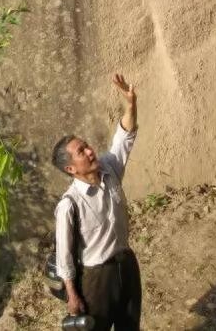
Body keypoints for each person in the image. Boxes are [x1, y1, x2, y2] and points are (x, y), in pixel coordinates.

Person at [51, 73, 141, 331]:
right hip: (97, 279)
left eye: (87, 146)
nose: (90, 151)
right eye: (81, 152)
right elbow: (64, 255)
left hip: (126, 265)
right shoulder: (70, 204)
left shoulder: (110, 170)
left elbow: (123, 138)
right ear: (70, 168)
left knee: (130, 327)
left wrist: (131, 105)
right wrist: (72, 294)